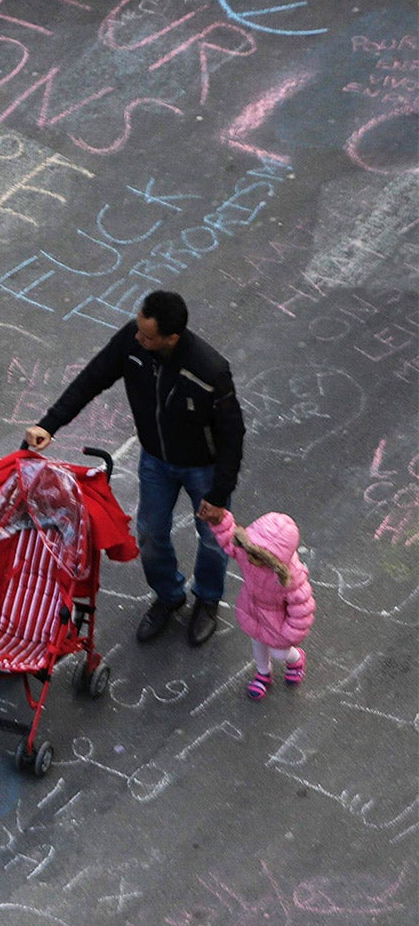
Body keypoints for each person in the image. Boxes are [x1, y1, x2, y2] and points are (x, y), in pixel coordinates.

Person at [25, 290, 244, 648]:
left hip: (203, 469)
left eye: (147, 336)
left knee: (212, 539)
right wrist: (49, 424)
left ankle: (206, 598)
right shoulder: (132, 341)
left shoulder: (209, 371)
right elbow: (91, 379)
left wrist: (219, 494)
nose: (138, 338)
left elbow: (233, 436)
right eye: (139, 330)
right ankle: (169, 595)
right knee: (150, 533)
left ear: (171, 338)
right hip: (156, 460)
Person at [212, 507, 314, 698]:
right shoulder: (248, 553)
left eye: (259, 556)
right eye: (250, 550)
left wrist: (289, 635)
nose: (250, 558)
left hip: (277, 622)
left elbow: (302, 611)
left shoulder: (291, 579)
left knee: (279, 653)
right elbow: (228, 540)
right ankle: (263, 673)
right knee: (257, 643)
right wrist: (219, 519)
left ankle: (296, 658)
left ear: (276, 560)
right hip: (253, 610)